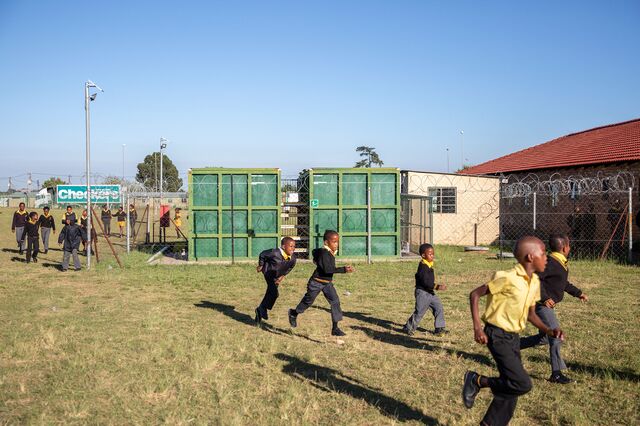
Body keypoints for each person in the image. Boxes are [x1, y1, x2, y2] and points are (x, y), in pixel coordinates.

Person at [463, 236, 565, 426]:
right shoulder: (506, 277)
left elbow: (530, 314)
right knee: (522, 384)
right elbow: (475, 294)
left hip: (513, 338)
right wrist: (477, 328)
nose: (547, 258)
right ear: (529, 257)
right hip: (496, 334)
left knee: (511, 389)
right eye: (543, 254)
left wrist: (549, 330)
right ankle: (477, 381)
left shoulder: (534, 281)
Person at [520, 234, 588, 384]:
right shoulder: (550, 262)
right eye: (569, 245)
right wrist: (544, 297)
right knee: (555, 335)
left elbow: (562, 283)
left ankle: (511, 346)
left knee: (544, 338)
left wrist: (578, 293)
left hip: (544, 305)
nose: (570, 248)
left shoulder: (560, 262)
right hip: (540, 305)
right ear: (565, 247)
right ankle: (556, 374)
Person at [288, 230, 354, 336]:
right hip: (316, 282)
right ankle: (293, 313)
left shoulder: (326, 252)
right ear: (326, 243)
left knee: (335, 301)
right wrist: (344, 269)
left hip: (327, 283)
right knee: (308, 302)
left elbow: (315, 251)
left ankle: (335, 328)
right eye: (334, 242)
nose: (336, 244)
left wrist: (315, 259)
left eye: (337, 242)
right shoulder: (325, 253)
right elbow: (328, 270)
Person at [403, 243, 448, 336]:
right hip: (422, 293)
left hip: (430, 293)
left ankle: (439, 328)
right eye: (430, 254)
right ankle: (408, 327)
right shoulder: (423, 267)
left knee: (438, 307)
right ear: (423, 255)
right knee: (420, 311)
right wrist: (437, 286)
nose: (432, 256)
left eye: (433, 254)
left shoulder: (428, 264)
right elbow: (425, 282)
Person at [255, 237, 297, 324]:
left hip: (277, 276)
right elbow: (263, 254)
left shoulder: (292, 258)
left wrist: (282, 276)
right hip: (268, 273)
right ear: (283, 246)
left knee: (270, 293)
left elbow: (290, 267)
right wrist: (261, 265)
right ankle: (263, 309)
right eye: (291, 246)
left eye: (294, 246)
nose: (293, 248)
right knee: (274, 293)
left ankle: (260, 310)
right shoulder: (274, 252)